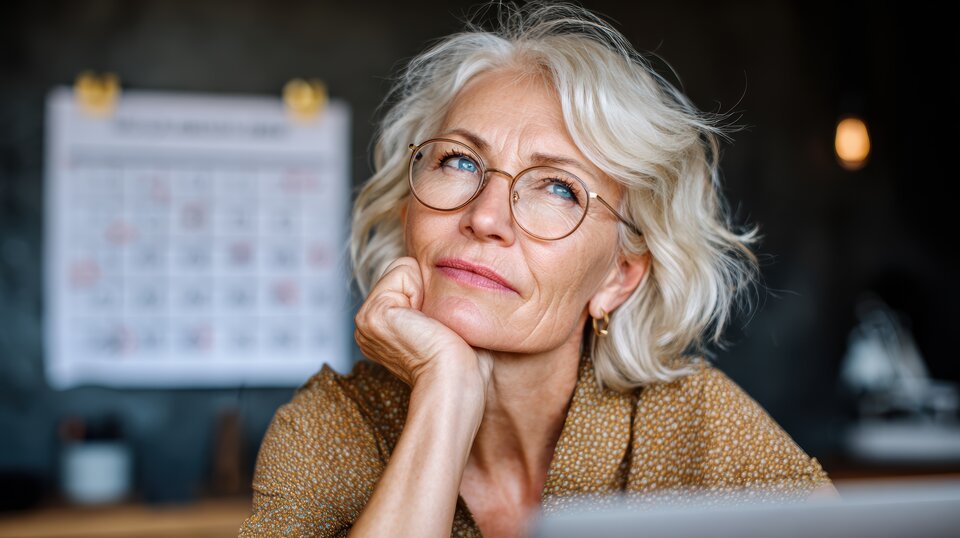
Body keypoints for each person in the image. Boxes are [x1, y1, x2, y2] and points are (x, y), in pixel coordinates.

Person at [239, 3, 834, 537]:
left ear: (617, 278)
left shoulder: (703, 432)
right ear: (407, 212)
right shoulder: (334, 425)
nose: (486, 216)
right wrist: (446, 393)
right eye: (460, 161)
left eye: (557, 188)